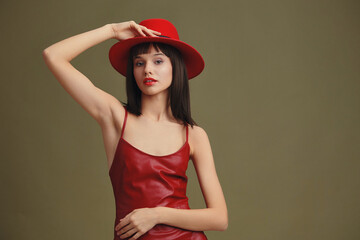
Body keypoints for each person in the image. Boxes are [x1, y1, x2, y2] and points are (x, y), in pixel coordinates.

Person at [42, 18, 228, 240]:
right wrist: (110, 30)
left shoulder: (194, 134)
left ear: (175, 67)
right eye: (139, 63)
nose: (148, 70)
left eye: (158, 61)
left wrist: (156, 214)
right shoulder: (115, 117)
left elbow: (219, 218)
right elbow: (53, 55)